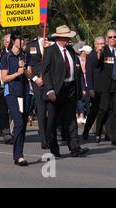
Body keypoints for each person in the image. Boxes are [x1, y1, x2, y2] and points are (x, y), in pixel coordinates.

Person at [42, 25, 89, 157]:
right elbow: (45, 73)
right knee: (53, 121)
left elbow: (76, 69)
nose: (69, 40)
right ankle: (53, 147)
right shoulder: (50, 51)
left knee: (71, 120)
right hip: (56, 90)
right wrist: (49, 90)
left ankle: (74, 147)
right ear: (61, 38)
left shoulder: (70, 50)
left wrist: (80, 88)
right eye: (67, 37)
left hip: (70, 89)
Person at [0, 31, 32, 166]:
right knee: (18, 122)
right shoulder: (6, 57)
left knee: (23, 124)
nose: (22, 41)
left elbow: (30, 75)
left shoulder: (26, 55)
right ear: (13, 41)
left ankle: (20, 152)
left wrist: (24, 70)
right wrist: (17, 73)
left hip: (25, 92)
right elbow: (4, 78)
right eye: (19, 39)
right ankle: (18, 155)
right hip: (11, 93)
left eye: (23, 39)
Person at [95, 29, 116, 146]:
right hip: (107, 84)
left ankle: (115, 138)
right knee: (104, 109)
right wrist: (99, 53)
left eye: (115, 37)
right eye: (110, 37)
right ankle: (98, 131)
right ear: (106, 39)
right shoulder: (103, 51)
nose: (113, 39)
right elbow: (98, 64)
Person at [26, 24, 49, 149]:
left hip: (49, 81)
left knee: (50, 110)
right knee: (41, 110)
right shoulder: (31, 45)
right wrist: (35, 79)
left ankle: (51, 134)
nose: (43, 29)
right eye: (40, 27)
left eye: (45, 27)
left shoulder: (51, 44)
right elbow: (27, 67)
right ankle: (44, 138)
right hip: (37, 82)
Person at [82, 37, 106, 140]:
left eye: (103, 43)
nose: (102, 45)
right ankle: (86, 130)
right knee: (93, 111)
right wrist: (90, 88)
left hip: (105, 87)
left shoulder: (106, 55)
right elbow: (89, 73)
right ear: (95, 45)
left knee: (104, 110)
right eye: (100, 43)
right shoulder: (91, 56)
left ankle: (99, 132)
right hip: (94, 88)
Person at [77, 45, 92, 124]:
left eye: (82, 51)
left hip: (89, 84)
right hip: (81, 84)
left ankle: (87, 117)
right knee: (80, 100)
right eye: (81, 51)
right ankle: (81, 115)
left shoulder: (90, 60)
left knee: (87, 101)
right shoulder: (78, 59)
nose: (81, 53)